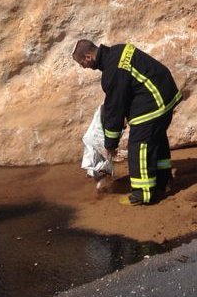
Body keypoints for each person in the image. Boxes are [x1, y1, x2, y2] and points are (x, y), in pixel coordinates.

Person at [72, 39, 182, 206]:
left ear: (88, 57)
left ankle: (142, 193)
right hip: (166, 94)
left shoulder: (112, 72)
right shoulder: (118, 50)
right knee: (156, 139)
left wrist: (110, 144)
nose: (83, 67)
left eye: (82, 63)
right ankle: (163, 181)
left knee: (139, 147)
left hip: (154, 102)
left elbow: (115, 109)